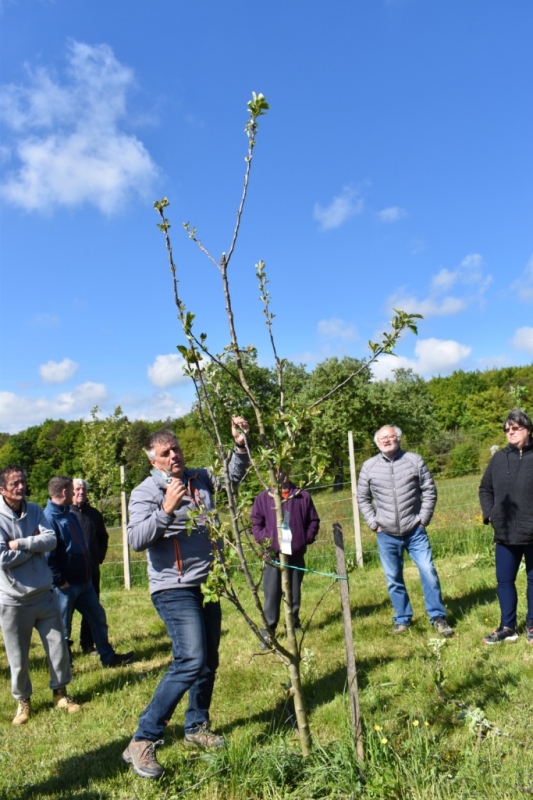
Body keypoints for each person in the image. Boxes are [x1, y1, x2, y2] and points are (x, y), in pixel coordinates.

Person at [123, 418, 249, 780]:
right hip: (172, 587)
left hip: (208, 584)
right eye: (165, 452)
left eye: (176, 448)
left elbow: (232, 478)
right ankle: (143, 738)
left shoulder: (200, 478)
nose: (174, 455)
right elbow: (135, 539)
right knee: (191, 658)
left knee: (208, 659)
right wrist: (165, 510)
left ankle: (196, 727)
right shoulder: (145, 492)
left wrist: (240, 446)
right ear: (153, 460)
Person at [0, 465, 80, 724]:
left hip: (44, 594)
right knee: (18, 657)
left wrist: (20, 544)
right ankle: (23, 702)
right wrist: (34, 546)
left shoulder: (34, 510)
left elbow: (51, 541)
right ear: (2, 490)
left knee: (58, 648)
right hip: (13, 600)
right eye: (14, 484)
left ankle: (60, 694)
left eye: (22, 481)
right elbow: (2, 557)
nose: (21, 487)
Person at [357, 425, 453, 637]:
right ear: (377, 442)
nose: (386, 440)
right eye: (382, 438)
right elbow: (362, 498)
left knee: (428, 571)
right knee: (393, 578)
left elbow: (429, 490)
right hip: (386, 533)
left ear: (398, 439)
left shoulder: (414, 461)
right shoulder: (369, 466)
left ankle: (438, 617)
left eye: (390, 437)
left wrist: (423, 520)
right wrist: (374, 523)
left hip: (415, 531)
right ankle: (402, 619)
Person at [43, 476, 134, 668]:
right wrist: (61, 581)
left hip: (85, 582)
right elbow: (48, 556)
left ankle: (108, 657)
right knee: (62, 628)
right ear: (65, 492)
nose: (77, 493)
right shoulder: (49, 519)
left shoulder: (69, 513)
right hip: (65, 586)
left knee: (98, 618)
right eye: (72, 489)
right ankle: (63, 667)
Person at [479, 409, 533, 645]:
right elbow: (485, 488)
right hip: (505, 531)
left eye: (516, 428)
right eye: (507, 429)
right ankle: (508, 627)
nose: (510, 432)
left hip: (532, 530)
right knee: (504, 580)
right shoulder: (499, 459)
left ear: (528, 429)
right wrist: (490, 514)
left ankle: (532, 625)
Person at [251, 472, 320, 647]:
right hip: (273, 557)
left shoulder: (302, 496)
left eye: (283, 470)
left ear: (289, 471)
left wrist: (304, 539)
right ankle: (269, 632)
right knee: (271, 595)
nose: (279, 474)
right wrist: (267, 540)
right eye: (275, 470)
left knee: (294, 593)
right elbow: (256, 524)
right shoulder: (263, 498)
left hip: (295, 555)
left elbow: (313, 521)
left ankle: (294, 624)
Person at [71, 478, 109, 654]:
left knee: (92, 611)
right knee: (66, 612)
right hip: (70, 574)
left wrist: (98, 557)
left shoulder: (94, 514)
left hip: (92, 571)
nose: (81, 492)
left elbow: (103, 537)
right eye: (77, 489)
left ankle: (87, 644)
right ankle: (64, 648)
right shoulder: (65, 514)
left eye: (84, 490)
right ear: (70, 491)